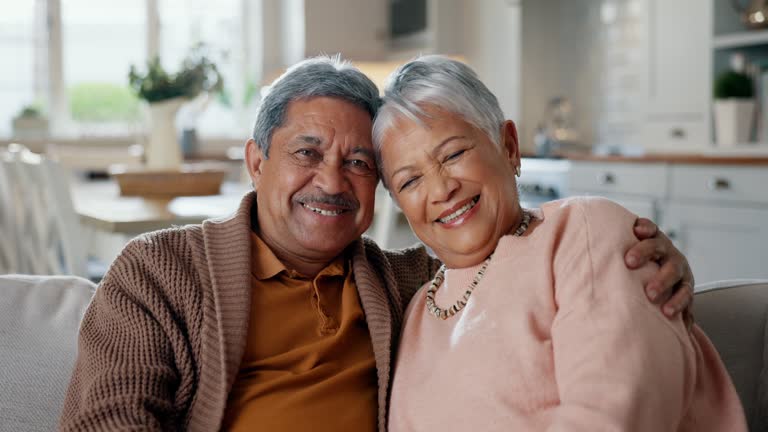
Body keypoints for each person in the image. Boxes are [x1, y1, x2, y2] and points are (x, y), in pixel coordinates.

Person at [60, 56, 696, 432]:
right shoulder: (157, 273)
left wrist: (620, 244)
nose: (331, 182)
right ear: (257, 160)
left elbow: (504, 235)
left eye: (361, 163)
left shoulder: (411, 282)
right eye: (306, 152)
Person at [373, 56, 747, 431]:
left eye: (453, 154)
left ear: (508, 146)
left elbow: (612, 411)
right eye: (410, 181)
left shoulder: (583, 232)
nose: (441, 189)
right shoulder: (415, 306)